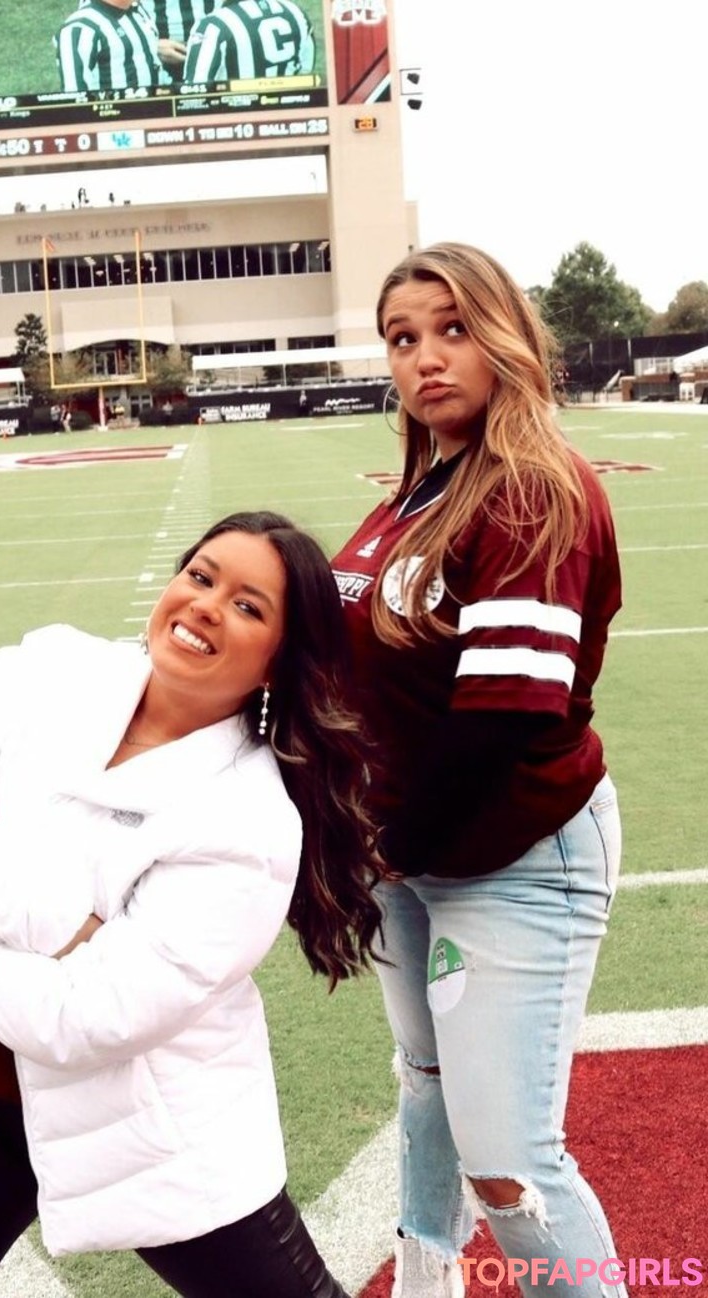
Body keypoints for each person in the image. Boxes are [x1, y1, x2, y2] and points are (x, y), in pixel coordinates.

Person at [0, 511, 382, 1298]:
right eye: (201, 577)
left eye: (247, 606)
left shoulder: (249, 824)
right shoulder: (50, 668)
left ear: (278, 661)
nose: (206, 605)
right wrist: (65, 926)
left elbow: (79, 1020)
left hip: (151, 1135)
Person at [329, 243, 624, 1298]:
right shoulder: (425, 487)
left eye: (453, 329)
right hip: (412, 851)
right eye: (402, 338)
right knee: (426, 1088)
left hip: (510, 852)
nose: (426, 357)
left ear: (507, 335)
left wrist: (383, 846)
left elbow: (505, 717)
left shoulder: (530, 490)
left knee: (510, 1165)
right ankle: (426, 1283)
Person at [183, 0, 315, 84]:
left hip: (235, 117)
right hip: (288, 115)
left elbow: (195, 91)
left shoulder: (213, 26)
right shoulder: (295, 12)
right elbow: (306, 73)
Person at [57, 0, 170, 94]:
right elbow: (75, 98)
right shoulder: (80, 28)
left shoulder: (138, 11)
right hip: (119, 113)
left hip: (155, 110)